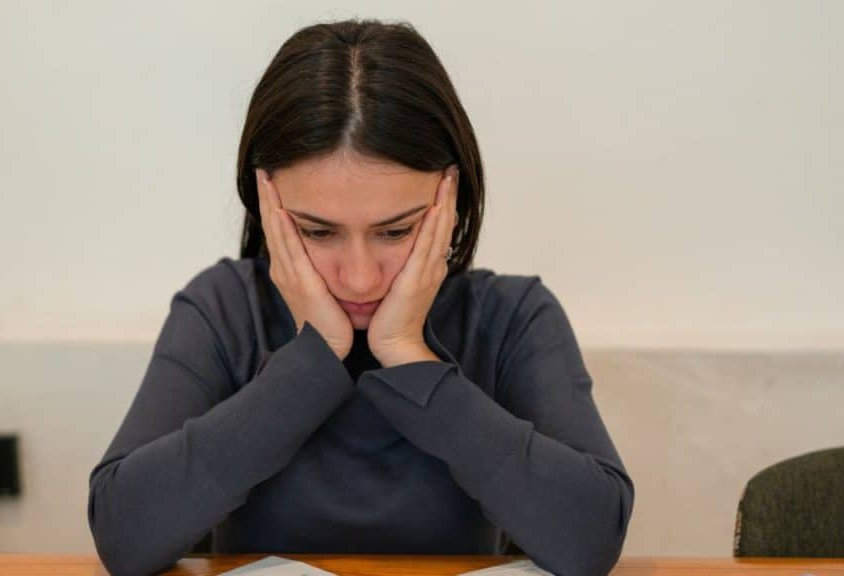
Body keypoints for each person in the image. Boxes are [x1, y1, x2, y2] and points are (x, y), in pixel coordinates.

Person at [87, 18, 634, 576]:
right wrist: (313, 355)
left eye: (396, 232)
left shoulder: (511, 317)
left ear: (452, 201)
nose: (360, 278)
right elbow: (124, 534)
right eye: (318, 232)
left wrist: (406, 352)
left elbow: (590, 538)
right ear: (266, 205)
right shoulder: (225, 308)